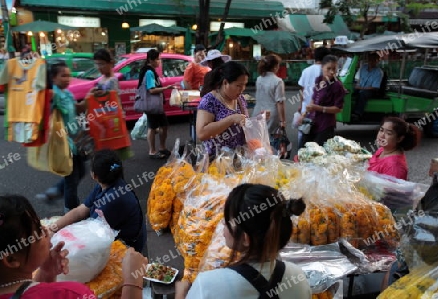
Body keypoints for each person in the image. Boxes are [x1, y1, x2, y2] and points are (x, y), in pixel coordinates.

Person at [175, 183, 312, 299]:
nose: (223, 224)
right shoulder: (298, 278)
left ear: (246, 239)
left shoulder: (207, 285)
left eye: (228, 221)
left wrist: (180, 294)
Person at [0, 194, 148, 299]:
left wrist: (46, 275)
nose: (46, 230)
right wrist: (132, 280)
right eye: (39, 230)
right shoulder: (70, 294)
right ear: (11, 259)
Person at [53, 149, 147, 253]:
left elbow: (91, 235)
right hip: (109, 235)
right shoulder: (106, 185)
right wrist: (52, 228)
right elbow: (81, 210)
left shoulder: (112, 200)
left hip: (127, 249)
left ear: (94, 176)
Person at [35, 62, 86, 214]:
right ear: (53, 78)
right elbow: (46, 109)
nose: (67, 78)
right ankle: (71, 213)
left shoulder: (68, 93)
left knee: (81, 172)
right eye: (63, 75)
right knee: (71, 180)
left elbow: (77, 109)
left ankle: (54, 192)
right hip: (64, 144)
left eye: (69, 75)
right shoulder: (54, 94)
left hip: (76, 142)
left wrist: (89, 99)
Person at [196, 61, 249, 158]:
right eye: (238, 85)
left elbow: (244, 122)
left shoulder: (240, 99)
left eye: (244, 85)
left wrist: (257, 120)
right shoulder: (209, 101)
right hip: (216, 161)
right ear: (225, 82)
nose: (242, 89)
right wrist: (231, 119)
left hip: (239, 159)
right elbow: (202, 133)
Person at [300, 55, 346, 148]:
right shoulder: (319, 79)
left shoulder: (337, 85)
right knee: (303, 150)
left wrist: (318, 108)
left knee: (319, 154)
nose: (332, 72)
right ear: (322, 67)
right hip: (311, 121)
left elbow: (338, 108)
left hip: (326, 125)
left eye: (334, 69)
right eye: (328, 68)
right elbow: (314, 97)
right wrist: (305, 112)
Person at [138, 49, 175, 159]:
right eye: (158, 59)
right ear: (151, 60)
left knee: (163, 125)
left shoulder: (149, 70)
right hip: (152, 105)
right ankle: (152, 151)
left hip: (155, 105)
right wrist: (166, 88)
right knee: (152, 127)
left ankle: (162, 147)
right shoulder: (149, 72)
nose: (159, 61)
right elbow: (151, 90)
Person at [293, 47, 330, 148]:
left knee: (304, 134)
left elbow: (302, 89)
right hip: (320, 111)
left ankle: (301, 156)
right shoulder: (326, 71)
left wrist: (301, 105)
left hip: (307, 107)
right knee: (319, 139)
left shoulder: (306, 70)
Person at [252, 54, 286, 135]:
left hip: (257, 112)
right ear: (275, 67)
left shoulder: (259, 79)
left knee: (258, 139)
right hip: (271, 115)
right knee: (270, 141)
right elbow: (280, 102)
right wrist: (282, 121)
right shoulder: (278, 81)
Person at [351, 52, 383, 122]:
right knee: (350, 90)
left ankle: (357, 113)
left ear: (377, 61)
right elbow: (359, 79)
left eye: (374, 60)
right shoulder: (363, 67)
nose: (371, 62)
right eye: (370, 60)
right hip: (361, 87)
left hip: (371, 90)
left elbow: (375, 87)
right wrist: (357, 85)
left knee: (363, 93)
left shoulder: (379, 72)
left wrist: (360, 88)